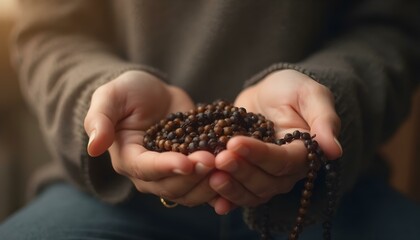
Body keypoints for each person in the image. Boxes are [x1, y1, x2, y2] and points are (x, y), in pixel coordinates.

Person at [1, 0, 420, 239]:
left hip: (323, 191)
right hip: (111, 193)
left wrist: (330, 90)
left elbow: (394, 28)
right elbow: (47, 32)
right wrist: (98, 91)